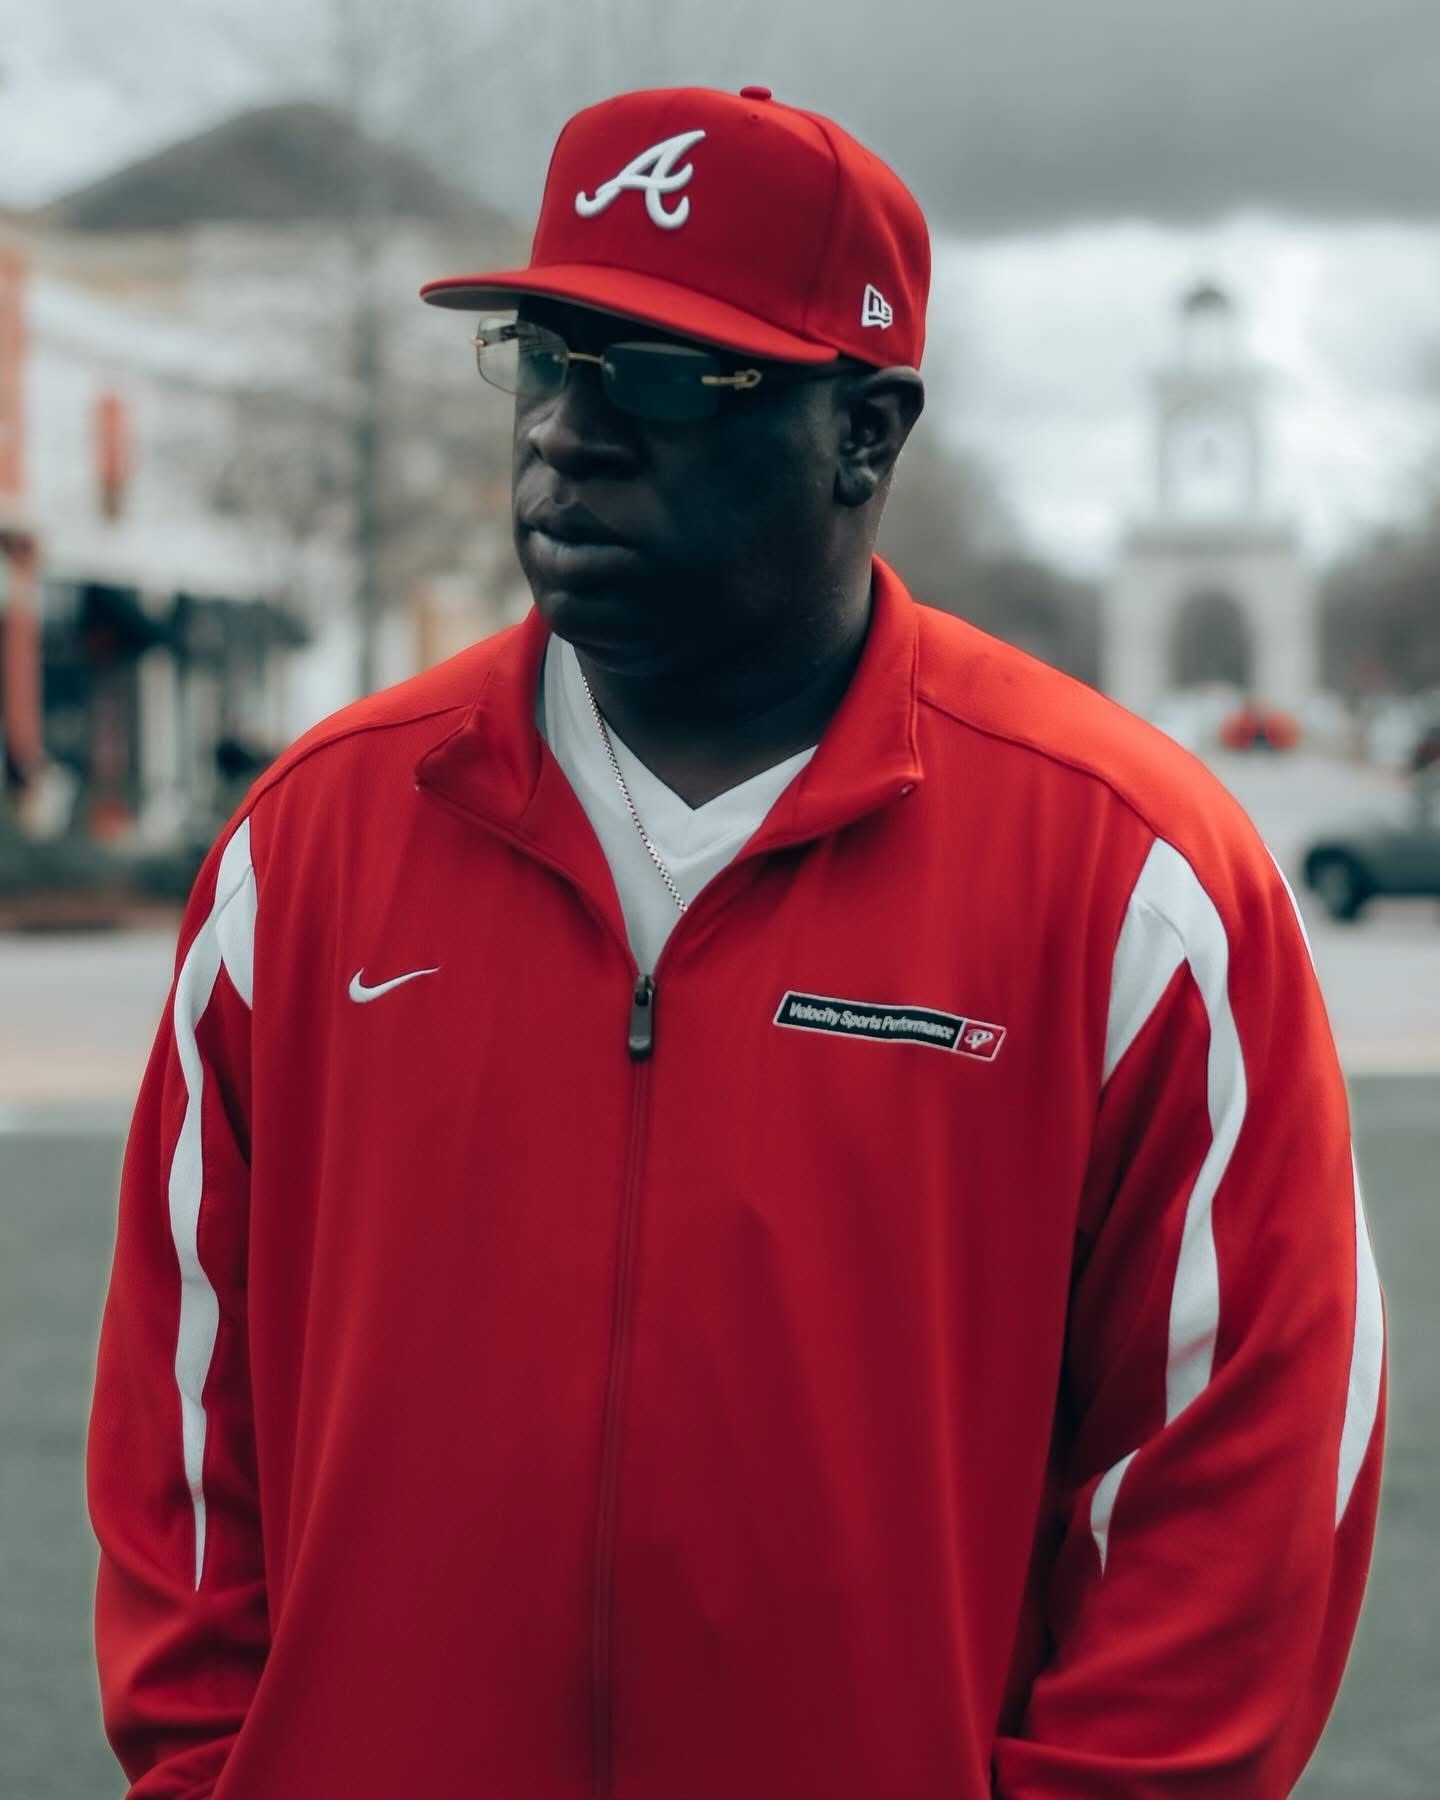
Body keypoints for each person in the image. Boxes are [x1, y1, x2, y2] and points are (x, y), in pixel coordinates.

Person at [87, 84, 1385, 1799]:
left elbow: (1246, 1473)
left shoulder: (1132, 873)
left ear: (869, 432)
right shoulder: (310, 845)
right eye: (551, 357)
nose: (571, 434)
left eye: (675, 376)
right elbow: (184, 1432)